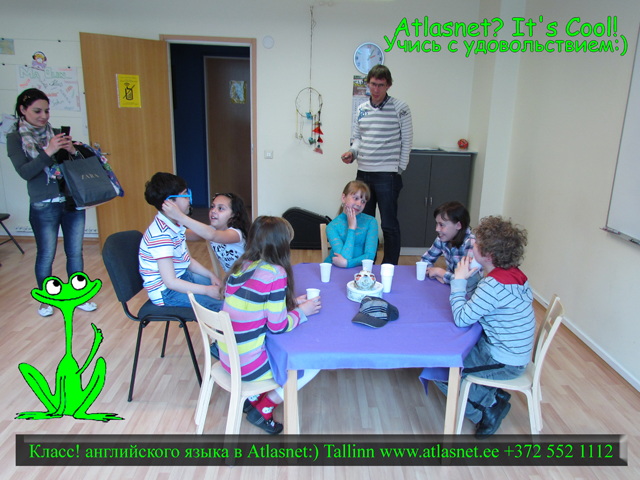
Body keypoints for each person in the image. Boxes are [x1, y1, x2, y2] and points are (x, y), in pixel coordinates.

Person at [435, 215, 535, 439]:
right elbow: (479, 302)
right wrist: (470, 276)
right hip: (514, 352)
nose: (472, 245)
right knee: (457, 352)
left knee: (442, 371)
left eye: (477, 244)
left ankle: (488, 409)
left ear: (488, 255)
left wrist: (459, 281)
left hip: (505, 360)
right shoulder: (514, 275)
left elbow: (462, 318)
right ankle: (493, 395)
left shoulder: (493, 285)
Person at [220, 216, 321, 434]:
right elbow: (278, 326)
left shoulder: (241, 266)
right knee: (313, 363)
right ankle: (264, 407)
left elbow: (256, 307)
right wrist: (302, 312)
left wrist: (292, 303)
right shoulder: (276, 273)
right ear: (281, 245)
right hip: (247, 366)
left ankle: (253, 397)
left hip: (228, 357)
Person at [7, 88, 96, 317]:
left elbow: (77, 166)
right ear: (22, 110)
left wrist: (72, 151)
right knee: (46, 254)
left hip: (71, 200)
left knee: (75, 252)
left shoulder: (56, 133)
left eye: (46, 111)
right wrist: (49, 151)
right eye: (37, 111)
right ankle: (46, 301)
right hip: (43, 203)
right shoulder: (15, 138)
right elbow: (26, 172)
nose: (44, 116)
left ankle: (78, 295)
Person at [340, 65, 412, 265]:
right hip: (363, 173)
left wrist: (399, 169)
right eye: (373, 84)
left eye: (381, 85)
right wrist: (352, 153)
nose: (376, 89)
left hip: (388, 175)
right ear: (368, 83)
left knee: (388, 225)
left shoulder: (400, 108)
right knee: (364, 223)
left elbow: (407, 141)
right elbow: (357, 138)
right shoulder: (362, 109)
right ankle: (366, 263)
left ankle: (389, 266)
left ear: (388, 85)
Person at [139, 172, 223, 311]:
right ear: (170, 203)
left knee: (223, 289)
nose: (189, 198)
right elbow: (171, 282)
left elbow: (187, 261)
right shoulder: (161, 235)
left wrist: (211, 275)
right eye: (184, 195)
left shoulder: (174, 225)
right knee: (221, 306)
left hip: (182, 277)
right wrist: (206, 290)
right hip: (167, 293)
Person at [162, 192, 251, 272]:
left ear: (234, 215)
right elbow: (183, 233)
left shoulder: (235, 234)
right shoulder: (210, 230)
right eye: (212, 207)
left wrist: (180, 216)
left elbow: (212, 235)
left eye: (220, 208)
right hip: (234, 279)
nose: (213, 211)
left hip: (250, 280)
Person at [421, 201, 481, 293]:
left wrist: (441, 273)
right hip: (451, 289)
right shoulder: (443, 237)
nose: (437, 229)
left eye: (441, 225)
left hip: (469, 295)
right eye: (437, 224)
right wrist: (435, 273)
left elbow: (466, 282)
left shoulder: (471, 244)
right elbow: (425, 260)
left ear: (458, 225)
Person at [324, 180, 377, 268]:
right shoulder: (332, 227)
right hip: (335, 269)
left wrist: (348, 263)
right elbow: (343, 258)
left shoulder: (371, 222)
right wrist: (352, 228)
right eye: (355, 198)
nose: (359, 204)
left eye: (363, 201)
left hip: (360, 270)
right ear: (344, 198)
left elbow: (370, 256)